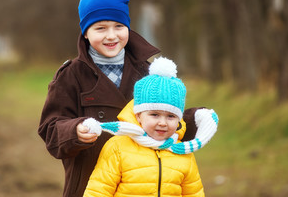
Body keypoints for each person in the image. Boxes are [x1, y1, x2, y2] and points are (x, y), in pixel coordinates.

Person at [38, 0, 213, 197]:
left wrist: (195, 118)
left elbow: (166, 117)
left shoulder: (149, 72)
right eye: (100, 28)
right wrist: (74, 131)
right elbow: (50, 128)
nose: (111, 36)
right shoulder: (71, 75)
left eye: (119, 26)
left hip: (141, 187)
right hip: (88, 186)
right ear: (85, 33)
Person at [82, 57, 218, 197]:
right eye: (154, 114)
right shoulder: (117, 147)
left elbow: (194, 192)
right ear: (139, 115)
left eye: (171, 116)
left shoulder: (183, 152)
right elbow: (99, 190)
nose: (163, 122)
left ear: (178, 119)